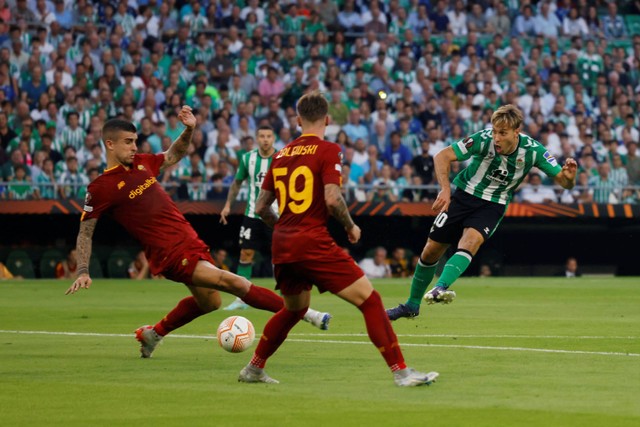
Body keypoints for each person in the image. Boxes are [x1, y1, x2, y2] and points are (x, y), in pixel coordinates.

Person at [65, 106, 331, 360]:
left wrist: (189, 129)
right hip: (168, 253)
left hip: (189, 241)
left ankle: (152, 334)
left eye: (135, 141)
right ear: (110, 144)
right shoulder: (101, 187)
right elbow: (85, 232)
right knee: (235, 283)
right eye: (128, 142)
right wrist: (83, 271)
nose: (134, 147)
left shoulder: (143, 163)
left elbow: (173, 155)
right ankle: (306, 313)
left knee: (211, 303)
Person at [238, 91, 438, 387]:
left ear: (297, 120)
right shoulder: (328, 150)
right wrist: (350, 226)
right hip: (312, 241)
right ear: (327, 120)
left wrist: (285, 227)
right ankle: (401, 372)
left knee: (294, 309)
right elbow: (332, 200)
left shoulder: (279, 155)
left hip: (282, 243)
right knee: (370, 301)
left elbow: (260, 208)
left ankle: (253, 369)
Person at [387, 105, 577, 320]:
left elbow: (563, 181)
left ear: (517, 132)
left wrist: (569, 177)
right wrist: (445, 190)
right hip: (462, 196)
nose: (496, 138)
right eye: (495, 131)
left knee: (470, 241)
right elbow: (442, 156)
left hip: (493, 204)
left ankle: (440, 287)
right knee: (431, 250)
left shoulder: (534, 151)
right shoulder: (483, 139)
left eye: (502, 133)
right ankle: (412, 305)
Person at [219, 125, 291, 313]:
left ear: (273, 138)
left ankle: (287, 296)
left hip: (275, 216)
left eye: (269, 136)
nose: (265, 139)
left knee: (280, 256)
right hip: (252, 215)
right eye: (262, 136)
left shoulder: (282, 158)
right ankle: (241, 298)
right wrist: (227, 205)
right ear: (257, 138)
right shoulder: (247, 158)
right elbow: (237, 183)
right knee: (246, 254)